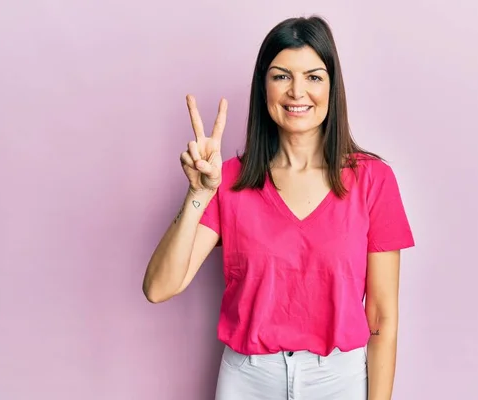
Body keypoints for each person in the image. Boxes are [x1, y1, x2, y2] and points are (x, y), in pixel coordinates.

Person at [142, 15, 415, 400]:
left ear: (333, 87)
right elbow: (159, 287)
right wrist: (198, 193)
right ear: (263, 86)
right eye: (281, 76)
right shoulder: (230, 180)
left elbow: (383, 319)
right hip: (248, 380)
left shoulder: (374, 180)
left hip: (339, 380)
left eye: (314, 77)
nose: (297, 92)